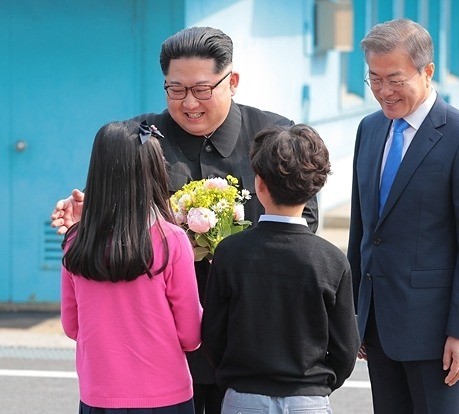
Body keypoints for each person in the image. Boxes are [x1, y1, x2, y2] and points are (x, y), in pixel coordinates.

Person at [51, 26, 319, 414]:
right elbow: (119, 204)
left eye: (202, 89)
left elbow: (302, 224)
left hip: (251, 336)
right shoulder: (140, 137)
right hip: (162, 350)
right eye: (175, 89)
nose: (189, 103)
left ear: (233, 81)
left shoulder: (274, 133)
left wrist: (228, 251)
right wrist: (89, 210)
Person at [347, 18, 459, 414]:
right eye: (374, 79)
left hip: (442, 338)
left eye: (395, 79)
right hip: (380, 329)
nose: (384, 91)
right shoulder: (370, 129)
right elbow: (362, 229)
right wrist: (356, 314)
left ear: (427, 71)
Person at [202, 124, 360, 414]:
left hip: (245, 396)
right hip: (308, 399)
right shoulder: (332, 260)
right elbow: (346, 349)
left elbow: (213, 334)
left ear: (259, 184)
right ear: (316, 187)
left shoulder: (230, 252)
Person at [60, 120, 203, 414]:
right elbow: (191, 334)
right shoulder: (171, 239)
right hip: (166, 395)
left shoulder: (76, 240)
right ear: (152, 173)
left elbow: (72, 326)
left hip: (98, 395)